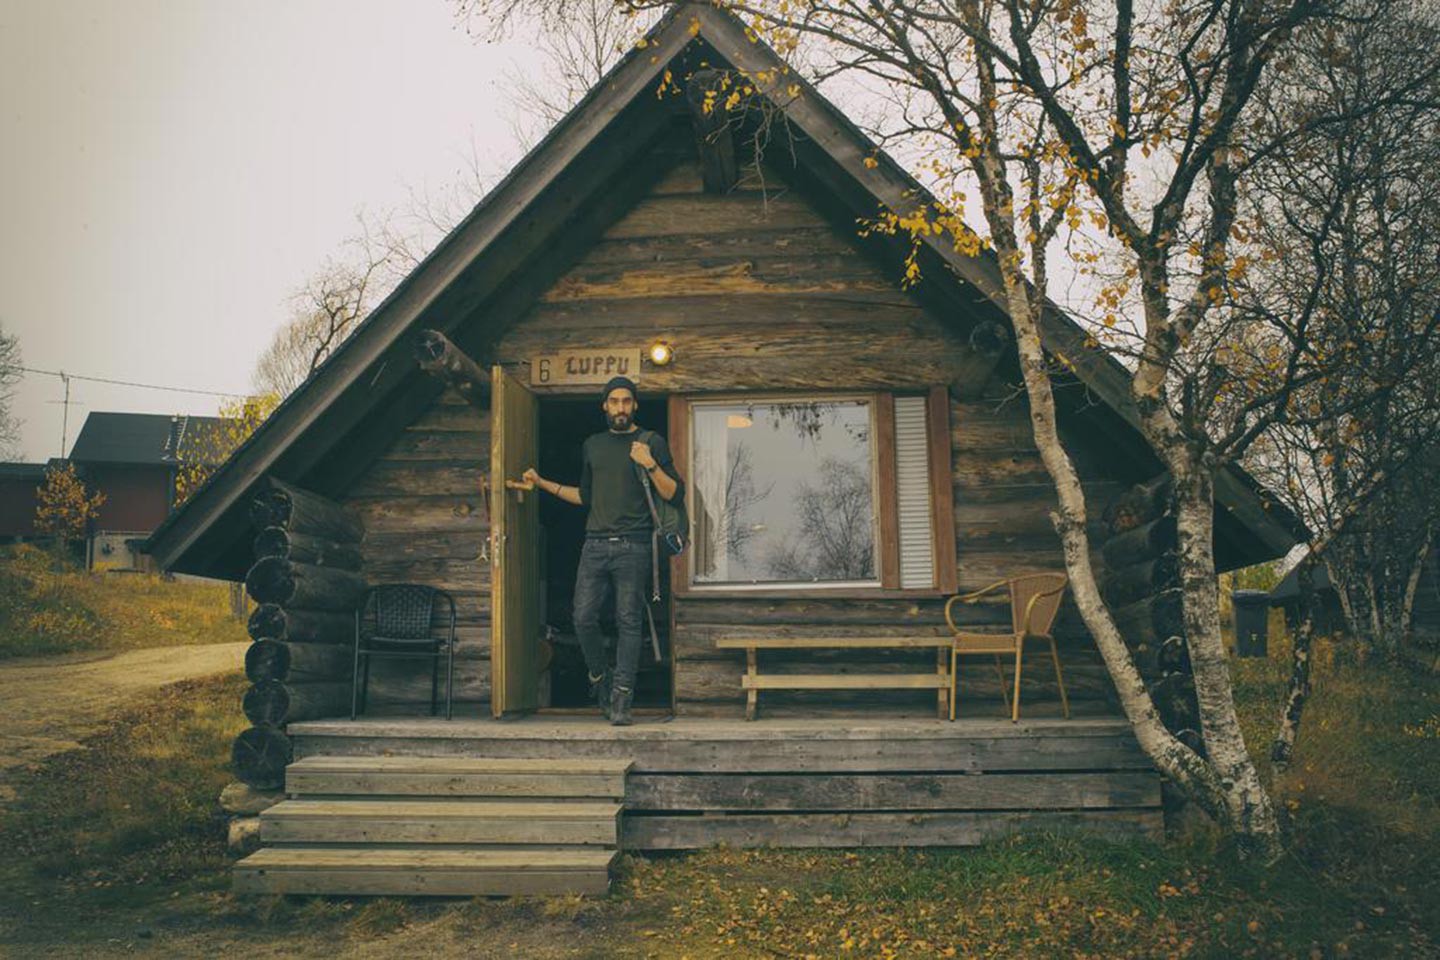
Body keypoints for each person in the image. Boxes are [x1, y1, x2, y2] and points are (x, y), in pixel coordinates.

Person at [522, 376, 683, 725]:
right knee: (582, 617)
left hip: (634, 545)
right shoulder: (592, 445)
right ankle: (600, 678)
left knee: (628, 621)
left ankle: (622, 696)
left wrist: (650, 464)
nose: (621, 408)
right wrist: (540, 483)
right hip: (593, 545)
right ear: (605, 406)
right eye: (614, 402)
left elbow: (674, 494)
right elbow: (585, 497)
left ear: (635, 405)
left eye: (627, 401)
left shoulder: (649, 441)